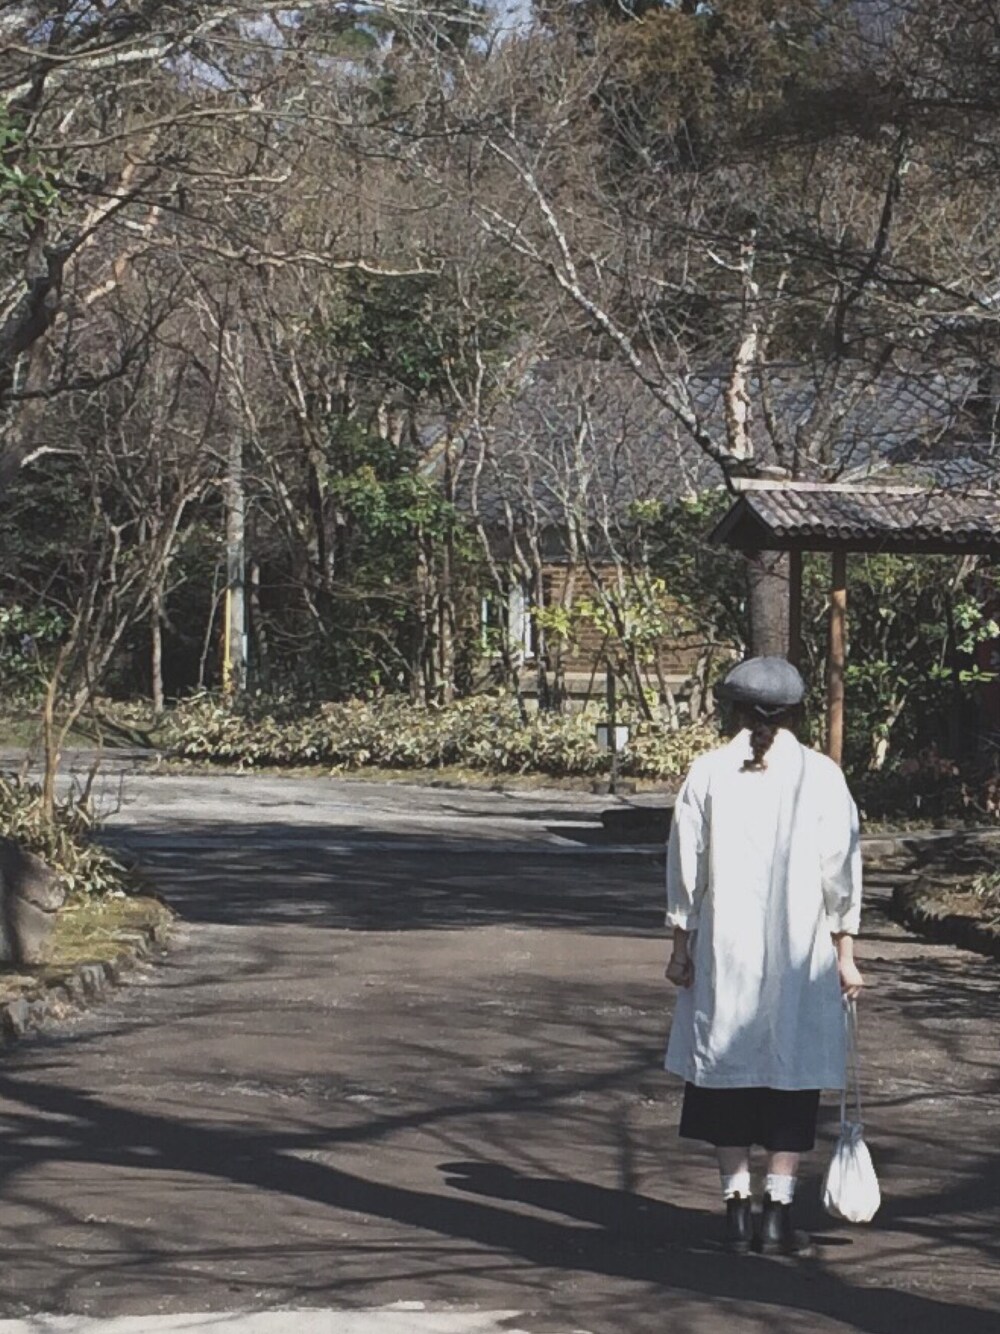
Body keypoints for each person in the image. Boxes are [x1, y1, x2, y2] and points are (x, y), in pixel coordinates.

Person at [664, 655, 864, 1256]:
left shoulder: (708, 772)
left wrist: (680, 948)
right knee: (790, 1077)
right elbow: (841, 873)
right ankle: (777, 1215)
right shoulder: (821, 775)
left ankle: (735, 1211)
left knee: (726, 1073)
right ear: (796, 712)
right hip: (801, 956)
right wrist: (846, 952)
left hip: (724, 953)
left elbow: (686, 868)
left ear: (735, 710)